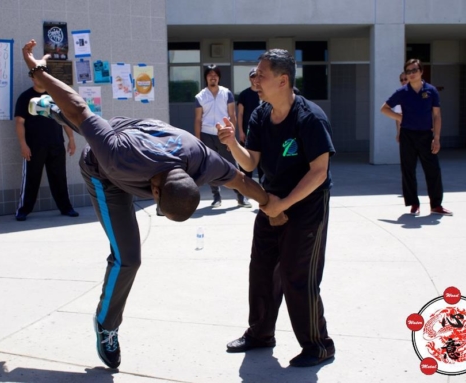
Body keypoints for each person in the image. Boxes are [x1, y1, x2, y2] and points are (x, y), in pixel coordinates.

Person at [21, 39, 287, 370]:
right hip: (104, 173)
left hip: (126, 137)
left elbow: (242, 181)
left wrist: (270, 205)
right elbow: (78, 107)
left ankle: (48, 108)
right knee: (127, 257)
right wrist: (38, 70)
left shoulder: (203, 160)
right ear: (155, 194)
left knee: (91, 126)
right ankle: (107, 325)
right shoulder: (117, 156)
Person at [218, 49, 336, 368]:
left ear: (283, 80)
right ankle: (260, 334)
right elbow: (251, 162)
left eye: (260, 75)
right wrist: (231, 144)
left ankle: (319, 345)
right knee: (262, 271)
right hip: (271, 201)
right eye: (253, 75)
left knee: (298, 276)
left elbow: (319, 171)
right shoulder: (260, 114)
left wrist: (282, 204)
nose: (254, 79)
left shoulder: (309, 117)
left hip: (307, 204)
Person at [381, 59, 452, 216]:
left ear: (421, 71)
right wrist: (400, 118)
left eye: (414, 70)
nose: (411, 74)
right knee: (408, 170)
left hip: (427, 135)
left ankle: (436, 205)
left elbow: (437, 115)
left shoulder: (431, 91)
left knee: (433, 169)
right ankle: (413, 203)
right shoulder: (402, 92)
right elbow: (384, 109)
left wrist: (437, 138)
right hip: (408, 135)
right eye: (408, 71)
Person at [14, 78, 79, 221]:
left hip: (56, 144)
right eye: (36, 76)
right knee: (31, 178)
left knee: (59, 177)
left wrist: (71, 139)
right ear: (32, 78)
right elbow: (19, 122)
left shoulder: (55, 96)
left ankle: (66, 207)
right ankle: (23, 210)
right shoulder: (25, 97)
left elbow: (65, 119)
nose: (40, 79)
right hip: (33, 146)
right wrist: (23, 144)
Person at [194, 64, 252, 208]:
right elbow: (198, 119)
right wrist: (198, 140)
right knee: (210, 166)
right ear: (206, 77)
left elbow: (232, 115)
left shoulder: (227, 93)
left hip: (224, 133)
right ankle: (216, 196)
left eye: (215, 75)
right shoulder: (200, 96)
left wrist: (232, 137)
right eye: (210, 75)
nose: (213, 77)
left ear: (218, 77)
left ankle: (240, 196)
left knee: (233, 164)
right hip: (207, 134)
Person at [237, 67, 262, 183]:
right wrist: (241, 132)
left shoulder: (265, 93)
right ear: (249, 79)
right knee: (246, 165)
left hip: (263, 135)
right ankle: (243, 194)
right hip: (247, 135)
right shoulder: (244, 94)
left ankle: (265, 190)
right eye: (252, 76)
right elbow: (240, 114)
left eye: (257, 76)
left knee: (263, 165)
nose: (255, 79)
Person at [393, 72, 408, 143]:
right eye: (401, 80)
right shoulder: (400, 95)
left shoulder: (420, 93)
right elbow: (398, 116)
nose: (403, 81)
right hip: (406, 131)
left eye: (405, 79)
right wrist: (399, 133)